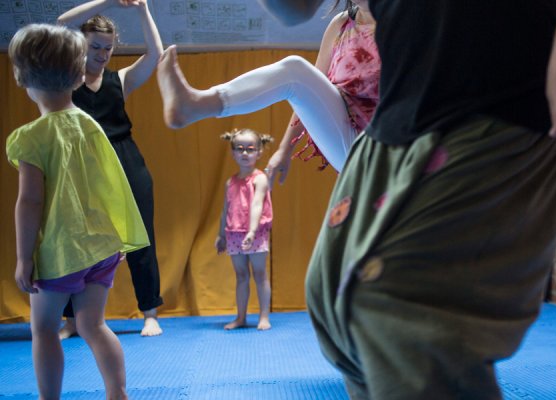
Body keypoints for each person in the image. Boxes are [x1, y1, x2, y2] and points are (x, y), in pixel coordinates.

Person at [254, 0, 556, 399]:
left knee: (401, 315)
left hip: (497, 105)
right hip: (392, 128)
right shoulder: (341, 24)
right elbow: (294, 10)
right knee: (333, 304)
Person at [6, 23, 149, 400]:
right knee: (93, 324)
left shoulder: (31, 137)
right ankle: (117, 393)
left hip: (60, 252)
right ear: (77, 72)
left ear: (22, 76)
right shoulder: (90, 124)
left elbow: (30, 202)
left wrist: (24, 258)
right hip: (102, 247)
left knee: (45, 329)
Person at [156, 0, 379, 175]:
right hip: (349, 141)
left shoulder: (404, 27)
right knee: (295, 69)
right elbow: (311, 94)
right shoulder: (341, 26)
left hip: (388, 146)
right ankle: (195, 104)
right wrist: (284, 150)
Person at [57, 0, 164, 338]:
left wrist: (142, 9)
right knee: (78, 241)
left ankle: (150, 313)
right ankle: (72, 320)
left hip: (126, 159)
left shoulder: (121, 79)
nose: (102, 53)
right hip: (84, 165)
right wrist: (108, 0)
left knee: (141, 240)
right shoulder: (66, 78)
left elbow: (156, 55)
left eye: (108, 47)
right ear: (81, 46)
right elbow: (60, 23)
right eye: (95, 47)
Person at [215, 129, 275, 331]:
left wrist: (251, 231)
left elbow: (257, 204)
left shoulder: (260, 179)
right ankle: (241, 317)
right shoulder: (230, 182)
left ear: (259, 152)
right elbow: (226, 208)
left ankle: (264, 316)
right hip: (234, 233)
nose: (245, 153)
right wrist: (221, 235)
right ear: (233, 153)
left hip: (255, 233)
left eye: (250, 149)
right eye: (240, 149)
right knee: (241, 276)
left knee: (259, 274)